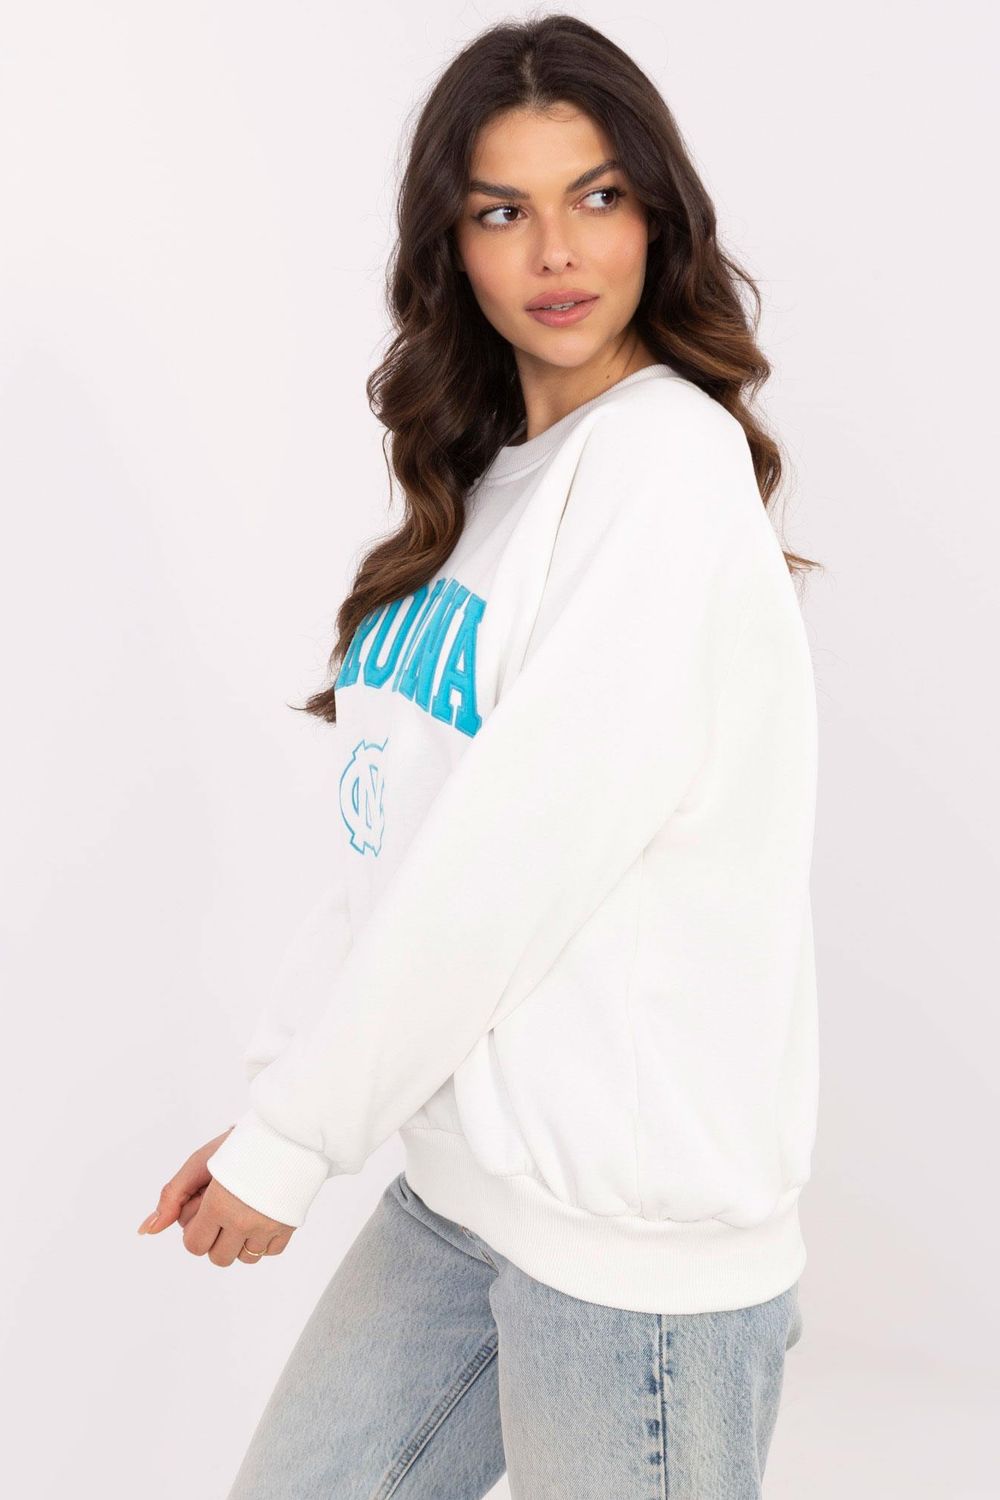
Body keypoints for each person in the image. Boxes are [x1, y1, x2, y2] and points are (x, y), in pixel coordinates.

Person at [137, 14, 822, 1497]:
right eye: (502, 211)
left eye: (597, 197)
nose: (557, 252)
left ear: (657, 216)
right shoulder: (497, 486)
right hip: (462, 1195)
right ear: (450, 245)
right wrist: (280, 1103)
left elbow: (508, 865)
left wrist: (299, 1138)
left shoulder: (665, 464)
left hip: (630, 1259)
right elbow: (404, 850)